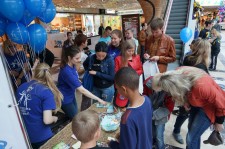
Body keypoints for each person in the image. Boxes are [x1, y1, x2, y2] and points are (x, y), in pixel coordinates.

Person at [152, 67, 225, 149]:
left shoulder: (201, 87)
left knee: (191, 138)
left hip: (208, 109)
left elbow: (221, 102)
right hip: (197, 102)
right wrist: (186, 102)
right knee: (192, 133)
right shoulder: (176, 74)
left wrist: (219, 122)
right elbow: (184, 91)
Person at [172, 38, 211, 144]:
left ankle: (184, 132)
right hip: (188, 93)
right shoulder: (189, 59)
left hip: (197, 96)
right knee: (184, 113)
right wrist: (184, 99)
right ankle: (176, 131)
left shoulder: (203, 62)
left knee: (191, 119)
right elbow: (183, 79)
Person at [16, 63, 63, 149]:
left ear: (34, 72)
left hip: (24, 134)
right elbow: (47, 120)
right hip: (41, 136)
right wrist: (54, 118)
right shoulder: (46, 92)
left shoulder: (21, 87)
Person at [57, 46, 106, 119]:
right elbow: (82, 90)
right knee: (76, 117)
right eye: (77, 58)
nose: (79, 60)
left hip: (70, 94)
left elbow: (74, 76)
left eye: (79, 57)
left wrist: (76, 80)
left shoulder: (71, 64)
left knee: (75, 113)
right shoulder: (66, 71)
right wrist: (98, 99)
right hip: (65, 98)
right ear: (69, 58)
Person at [109, 67, 153, 149]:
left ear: (123, 89)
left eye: (117, 89)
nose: (118, 92)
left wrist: (112, 144)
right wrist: (124, 136)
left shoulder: (127, 118)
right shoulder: (147, 100)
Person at [81, 42, 115, 110]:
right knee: (95, 107)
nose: (101, 58)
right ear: (95, 52)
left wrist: (96, 73)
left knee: (105, 107)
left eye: (103, 56)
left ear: (106, 53)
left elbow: (111, 77)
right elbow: (85, 64)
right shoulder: (91, 57)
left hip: (107, 88)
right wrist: (88, 71)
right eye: (99, 55)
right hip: (95, 87)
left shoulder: (110, 59)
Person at [143, 76, 174, 149]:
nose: (155, 92)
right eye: (153, 90)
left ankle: (161, 147)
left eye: (157, 91)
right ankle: (154, 144)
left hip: (162, 115)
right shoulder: (148, 83)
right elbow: (145, 96)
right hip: (150, 112)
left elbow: (168, 108)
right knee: (152, 131)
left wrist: (152, 115)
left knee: (159, 136)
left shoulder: (170, 91)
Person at [114, 39, 143, 107]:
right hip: (123, 84)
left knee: (133, 102)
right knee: (122, 103)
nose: (131, 53)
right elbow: (116, 73)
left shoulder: (137, 57)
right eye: (129, 51)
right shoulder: (118, 59)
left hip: (134, 83)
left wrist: (132, 73)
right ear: (124, 50)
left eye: (133, 51)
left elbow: (141, 70)